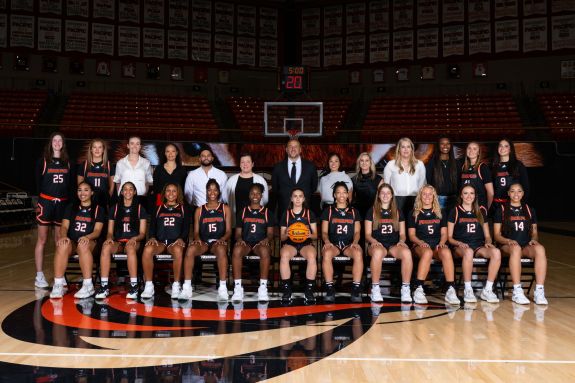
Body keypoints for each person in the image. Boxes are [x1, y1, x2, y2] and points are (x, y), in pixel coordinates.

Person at [493, 182, 547, 305]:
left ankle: (539, 291)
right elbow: (496, 235)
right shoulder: (501, 209)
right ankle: (517, 291)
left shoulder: (529, 210)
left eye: (519, 191)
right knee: (516, 248)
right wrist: (508, 241)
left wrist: (534, 239)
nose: (516, 194)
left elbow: (534, 233)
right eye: (512, 191)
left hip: (525, 245)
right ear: (508, 193)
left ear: (523, 194)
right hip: (507, 246)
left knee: (540, 249)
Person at [50, 182, 105, 298]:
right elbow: (64, 227)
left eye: (86, 190)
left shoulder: (98, 209)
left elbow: (97, 231)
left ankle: (88, 285)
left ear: (92, 192)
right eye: (79, 190)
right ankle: (59, 285)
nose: (82, 193)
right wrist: (64, 236)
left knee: (83, 245)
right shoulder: (71, 207)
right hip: (74, 242)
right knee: (62, 245)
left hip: (91, 243)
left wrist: (87, 237)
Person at [448, 185, 501, 303]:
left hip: (478, 246)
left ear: (475, 196)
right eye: (465, 193)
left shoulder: (481, 211)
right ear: (461, 196)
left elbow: (487, 236)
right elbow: (449, 237)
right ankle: (468, 288)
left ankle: (487, 289)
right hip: (460, 247)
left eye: (471, 193)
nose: (468, 196)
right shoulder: (455, 211)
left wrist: (488, 242)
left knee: (496, 252)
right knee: (468, 252)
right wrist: (458, 243)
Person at [407, 185, 460, 305]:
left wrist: (441, 243)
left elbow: (444, 233)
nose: (427, 196)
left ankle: (450, 289)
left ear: (434, 197)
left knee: (446, 252)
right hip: (420, 245)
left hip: (436, 244)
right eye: (424, 194)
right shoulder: (414, 213)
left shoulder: (440, 212)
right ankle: (419, 289)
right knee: (427, 252)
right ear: (420, 196)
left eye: (429, 194)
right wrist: (421, 242)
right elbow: (412, 235)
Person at [180, 179, 232, 301]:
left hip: (218, 241)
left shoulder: (225, 208)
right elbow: (196, 232)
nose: (212, 192)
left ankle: (223, 288)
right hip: (204, 242)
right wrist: (197, 239)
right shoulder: (199, 210)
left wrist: (223, 239)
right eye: (210, 190)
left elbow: (229, 231)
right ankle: (187, 287)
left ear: (219, 192)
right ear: (206, 192)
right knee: (191, 250)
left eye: (215, 190)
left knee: (221, 250)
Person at [34, 132, 74, 289]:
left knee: (60, 240)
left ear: (63, 144)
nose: (57, 143)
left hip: (62, 204)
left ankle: (60, 274)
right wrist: (39, 202)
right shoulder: (43, 161)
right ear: (50, 143)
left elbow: (70, 187)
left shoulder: (68, 162)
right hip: (46, 202)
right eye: (54, 140)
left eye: (60, 141)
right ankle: (39, 275)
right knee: (42, 239)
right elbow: (37, 184)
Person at [95, 182, 148, 300]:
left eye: (130, 189)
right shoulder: (115, 208)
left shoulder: (140, 208)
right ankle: (104, 285)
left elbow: (143, 233)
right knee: (106, 247)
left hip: (134, 241)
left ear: (134, 192)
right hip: (119, 241)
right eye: (125, 189)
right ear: (122, 192)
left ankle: (134, 286)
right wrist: (109, 239)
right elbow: (109, 231)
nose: (128, 191)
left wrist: (134, 238)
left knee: (130, 248)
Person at [365, 183, 413, 303]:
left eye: (388, 193)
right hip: (377, 244)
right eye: (383, 193)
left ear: (392, 195)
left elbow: (402, 234)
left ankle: (405, 288)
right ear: (379, 195)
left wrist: (401, 241)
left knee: (407, 253)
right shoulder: (371, 211)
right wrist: (374, 241)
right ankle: (375, 288)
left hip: (393, 245)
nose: (385, 195)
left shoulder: (397, 211)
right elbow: (367, 234)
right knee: (377, 253)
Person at [141, 183, 190, 299]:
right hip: (161, 242)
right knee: (147, 249)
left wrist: (181, 238)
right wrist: (152, 237)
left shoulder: (183, 208)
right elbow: (152, 226)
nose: (171, 193)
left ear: (178, 193)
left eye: (174, 191)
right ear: (164, 193)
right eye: (168, 191)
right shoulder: (158, 208)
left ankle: (176, 285)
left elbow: (186, 228)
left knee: (178, 250)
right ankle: (149, 285)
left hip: (174, 242)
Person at [231, 183, 274, 302]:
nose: (255, 195)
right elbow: (238, 233)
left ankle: (263, 288)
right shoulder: (243, 212)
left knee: (265, 251)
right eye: (252, 193)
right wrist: (239, 240)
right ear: (249, 195)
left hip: (259, 243)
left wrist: (267, 240)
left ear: (261, 196)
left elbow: (270, 233)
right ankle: (238, 288)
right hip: (246, 243)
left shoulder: (267, 213)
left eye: (258, 193)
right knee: (237, 250)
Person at [321, 182, 363, 303]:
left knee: (358, 253)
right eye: (338, 192)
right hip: (333, 244)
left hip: (349, 244)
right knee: (327, 253)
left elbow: (357, 232)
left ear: (348, 194)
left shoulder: (354, 211)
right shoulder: (328, 211)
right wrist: (327, 241)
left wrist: (355, 242)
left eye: (344, 192)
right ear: (334, 195)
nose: (341, 195)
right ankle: (329, 288)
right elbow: (324, 232)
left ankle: (355, 289)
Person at [279, 188, 318, 304]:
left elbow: (315, 235)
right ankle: (287, 290)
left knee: (312, 256)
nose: (297, 198)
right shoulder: (286, 214)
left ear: (304, 199)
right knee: (284, 255)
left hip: (306, 243)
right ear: (291, 199)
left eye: (300, 196)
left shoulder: (309, 213)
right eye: (295, 196)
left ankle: (309, 291)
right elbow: (282, 237)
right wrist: (288, 232)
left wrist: (308, 234)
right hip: (290, 244)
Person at [271, 139, 318, 218]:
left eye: (296, 146)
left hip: (305, 211)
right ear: (286, 150)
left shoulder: (310, 166)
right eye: (290, 146)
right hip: (284, 211)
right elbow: (275, 188)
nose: (293, 149)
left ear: (300, 149)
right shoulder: (278, 167)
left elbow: (313, 187)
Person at [383, 137, 426, 218]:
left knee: (412, 228)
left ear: (412, 149)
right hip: (396, 201)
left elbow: (422, 185)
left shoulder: (420, 164)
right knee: (399, 228)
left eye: (408, 147)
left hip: (415, 201)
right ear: (399, 149)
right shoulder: (391, 164)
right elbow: (386, 186)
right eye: (403, 147)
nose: (406, 149)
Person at [223, 153, 269, 227]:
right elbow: (226, 198)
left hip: (255, 219)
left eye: (248, 162)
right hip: (236, 218)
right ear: (240, 165)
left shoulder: (260, 180)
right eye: (242, 162)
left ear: (252, 164)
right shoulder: (231, 180)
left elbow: (265, 199)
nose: (245, 164)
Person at [491, 139, 530, 212]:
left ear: (510, 149)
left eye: (506, 146)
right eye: (500, 146)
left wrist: (522, 203)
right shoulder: (493, 166)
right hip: (497, 205)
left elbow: (526, 187)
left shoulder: (518, 165)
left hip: (514, 204)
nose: (502, 148)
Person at [77, 138, 115, 208]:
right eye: (94, 147)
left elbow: (112, 187)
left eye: (100, 147)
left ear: (103, 150)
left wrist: (106, 198)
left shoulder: (109, 165)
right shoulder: (84, 165)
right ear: (91, 149)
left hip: (103, 201)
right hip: (88, 200)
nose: (97, 150)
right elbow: (80, 186)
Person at [425, 137, 459, 214]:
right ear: (438, 146)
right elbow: (428, 181)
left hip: (453, 199)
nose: (445, 146)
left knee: (452, 224)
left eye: (448, 144)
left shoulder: (457, 163)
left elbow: (459, 182)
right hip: (437, 199)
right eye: (442, 144)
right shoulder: (432, 163)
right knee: (440, 224)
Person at [459, 141, 493, 211]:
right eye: (469, 148)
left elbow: (491, 193)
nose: (471, 151)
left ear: (478, 152)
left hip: (479, 205)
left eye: (475, 149)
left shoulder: (483, 167)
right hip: (465, 205)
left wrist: (487, 207)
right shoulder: (463, 167)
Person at [351, 152, 383, 219]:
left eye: (367, 160)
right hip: (358, 214)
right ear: (359, 163)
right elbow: (350, 199)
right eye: (362, 160)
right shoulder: (353, 180)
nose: (364, 163)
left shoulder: (379, 179)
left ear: (370, 163)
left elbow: (382, 199)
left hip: (374, 213)